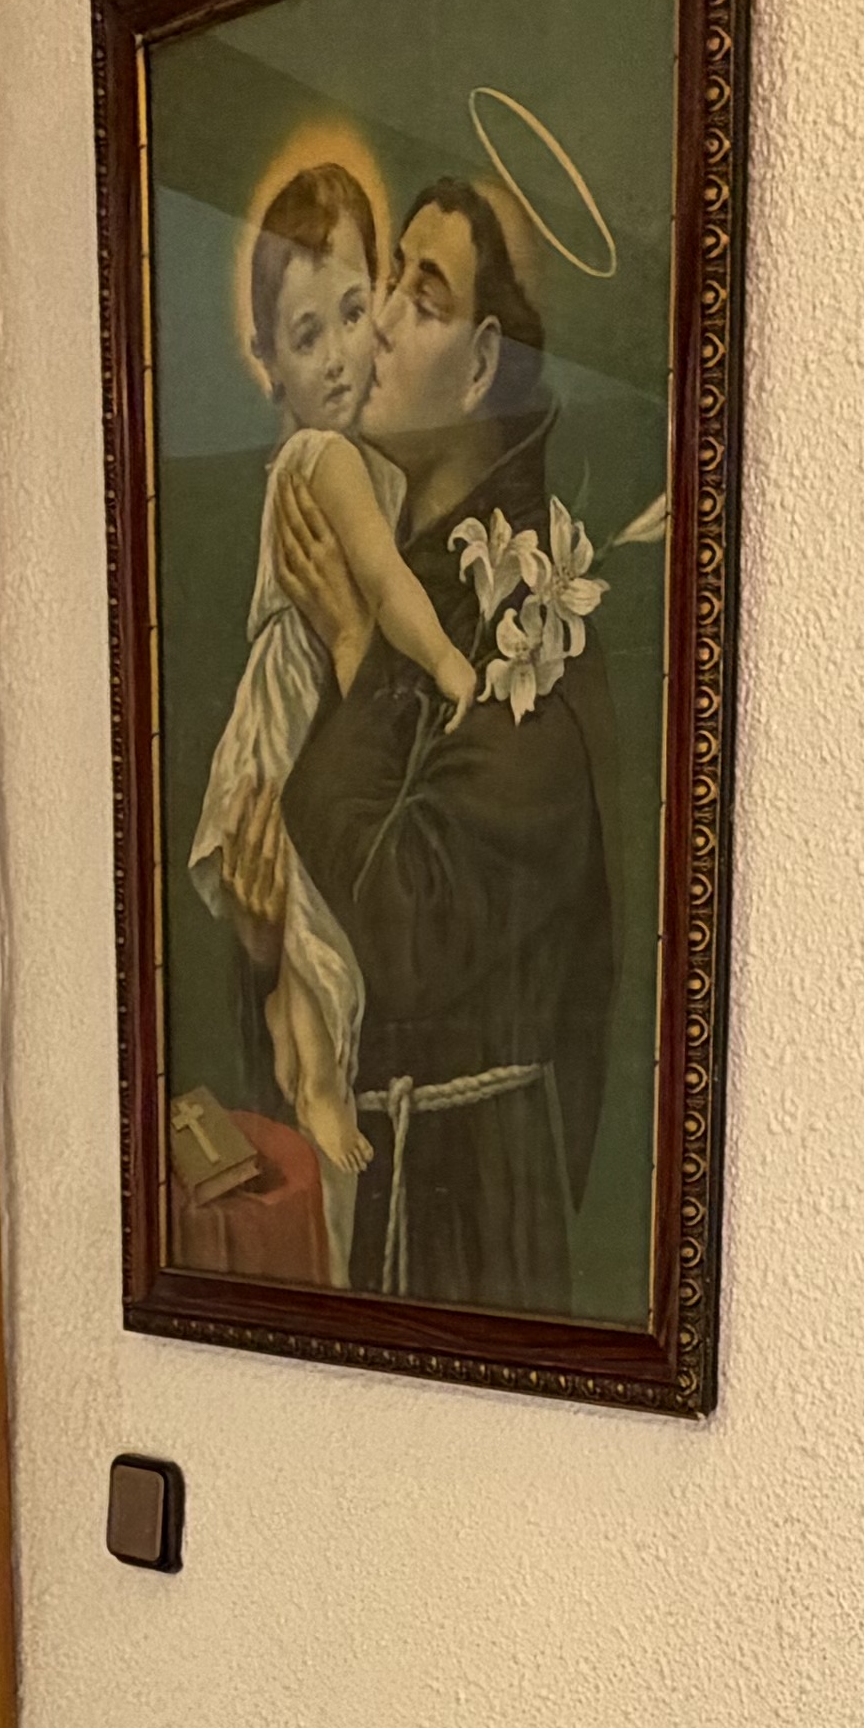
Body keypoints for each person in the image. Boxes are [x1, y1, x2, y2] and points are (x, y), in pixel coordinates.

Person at [275, 176, 621, 1314]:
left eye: (419, 302)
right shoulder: (385, 560)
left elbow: (412, 925)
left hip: (473, 1208)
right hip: (377, 1179)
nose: (374, 324)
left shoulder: (537, 625)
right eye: (387, 283)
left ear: (478, 367)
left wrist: (355, 650)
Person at [177, 160, 447, 1280]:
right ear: (268, 366)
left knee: (306, 958)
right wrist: (444, 665)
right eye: (304, 335)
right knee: (305, 941)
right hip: (287, 728)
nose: (338, 354)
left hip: (303, 730)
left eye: (352, 312)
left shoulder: (412, 473)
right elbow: (383, 592)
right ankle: (317, 1086)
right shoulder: (327, 460)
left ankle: (313, 1075)